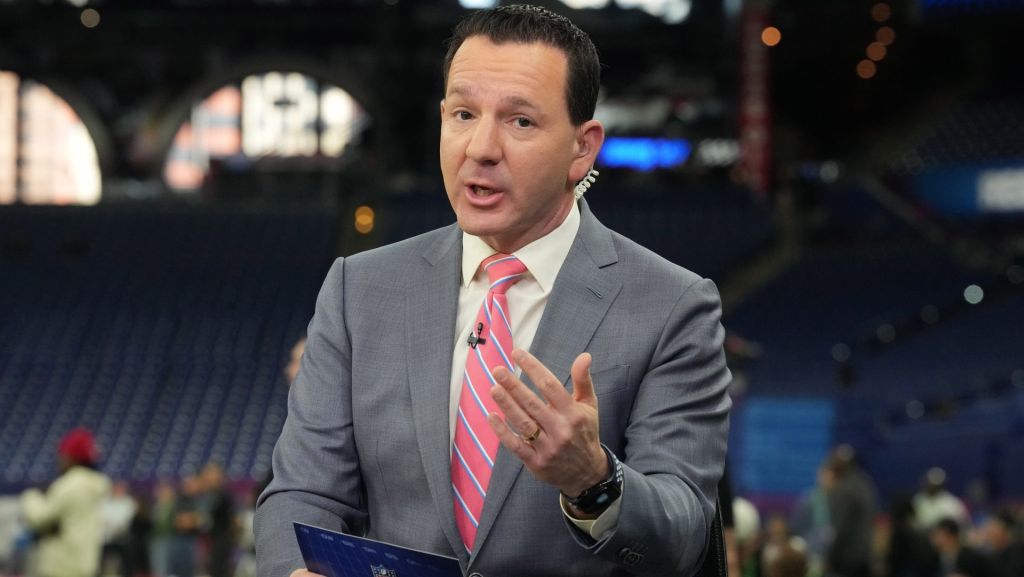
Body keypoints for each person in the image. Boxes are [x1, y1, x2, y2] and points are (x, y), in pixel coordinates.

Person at [254, 5, 731, 577]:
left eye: (520, 121)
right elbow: (303, 494)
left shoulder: (673, 306)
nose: (480, 147)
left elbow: (684, 535)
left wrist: (594, 481)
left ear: (583, 148)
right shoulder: (360, 291)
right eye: (463, 114)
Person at [18, 427, 112, 577]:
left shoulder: (70, 484)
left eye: (63, 455)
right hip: (85, 562)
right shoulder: (95, 484)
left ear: (72, 457)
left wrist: (31, 497)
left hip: (62, 564)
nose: (59, 460)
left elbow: (41, 518)